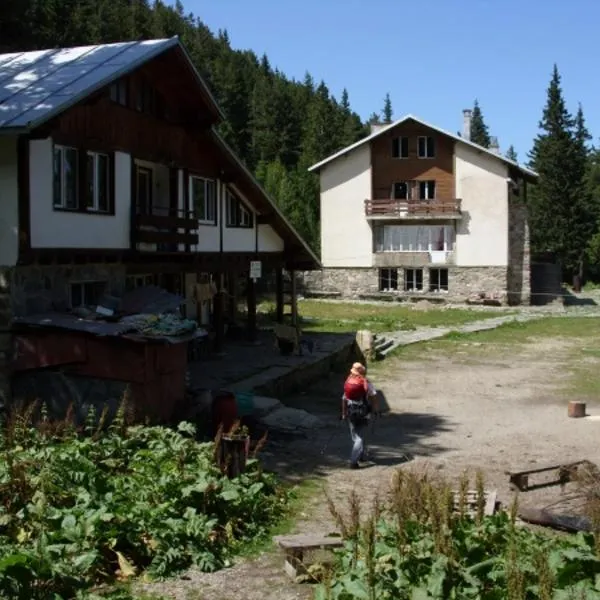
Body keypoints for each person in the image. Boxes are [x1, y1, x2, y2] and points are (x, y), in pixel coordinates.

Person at [341, 362, 378, 469]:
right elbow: (374, 396)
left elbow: (344, 399)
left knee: (356, 436)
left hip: (351, 413)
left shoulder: (348, 382)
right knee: (360, 438)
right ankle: (353, 461)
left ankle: (360, 456)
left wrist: (343, 413)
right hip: (364, 414)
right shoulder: (366, 383)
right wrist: (376, 410)